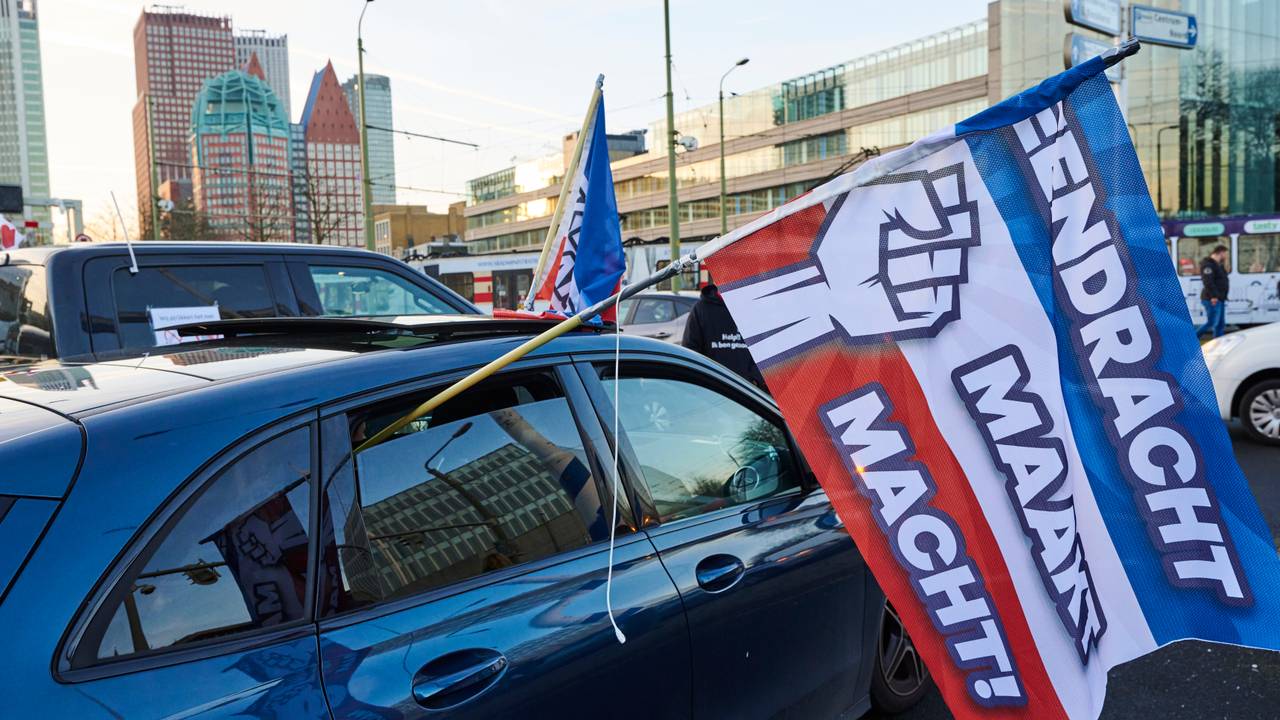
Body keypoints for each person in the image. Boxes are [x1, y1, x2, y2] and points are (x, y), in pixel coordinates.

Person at [682, 282, 766, 389]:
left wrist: (755, 379)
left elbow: (767, 350)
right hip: (713, 392)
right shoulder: (701, 309)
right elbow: (691, 352)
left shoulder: (753, 308)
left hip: (749, 393)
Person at [1196, 244, 1230, 338]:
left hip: (1219, 298)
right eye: (1225, 254)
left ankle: (1219, 343)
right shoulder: (1208, 265)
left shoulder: (1218, 265)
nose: (1226, 256)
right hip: (1212, 299)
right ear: (1221, 253)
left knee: (1220, 324)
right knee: (1212, 322)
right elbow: (1208, 282)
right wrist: (1214, 296)